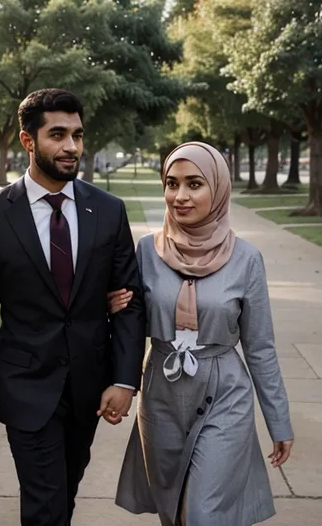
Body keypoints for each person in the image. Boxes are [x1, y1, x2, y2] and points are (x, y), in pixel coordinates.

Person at [0, 88, 146, 526]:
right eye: (57, 134)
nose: (71, 147)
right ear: (28, 141)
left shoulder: (109, 211)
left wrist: (123, 379)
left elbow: (130, 302)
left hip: (89, 387)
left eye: (77, 135)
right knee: (45, 505)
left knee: (64, 494)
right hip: (25, 385)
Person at [110, 141, 294, 526]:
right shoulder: (145, 251)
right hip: (160, 393)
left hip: (225, 394)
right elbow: (130, 326)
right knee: (173, 510)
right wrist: (111, 311)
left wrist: (279, 422)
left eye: (194, 184)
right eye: (171, 183)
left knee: (202, 513)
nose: (180, 196)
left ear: (218, 187)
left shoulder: (246, 259)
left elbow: (260, 348)